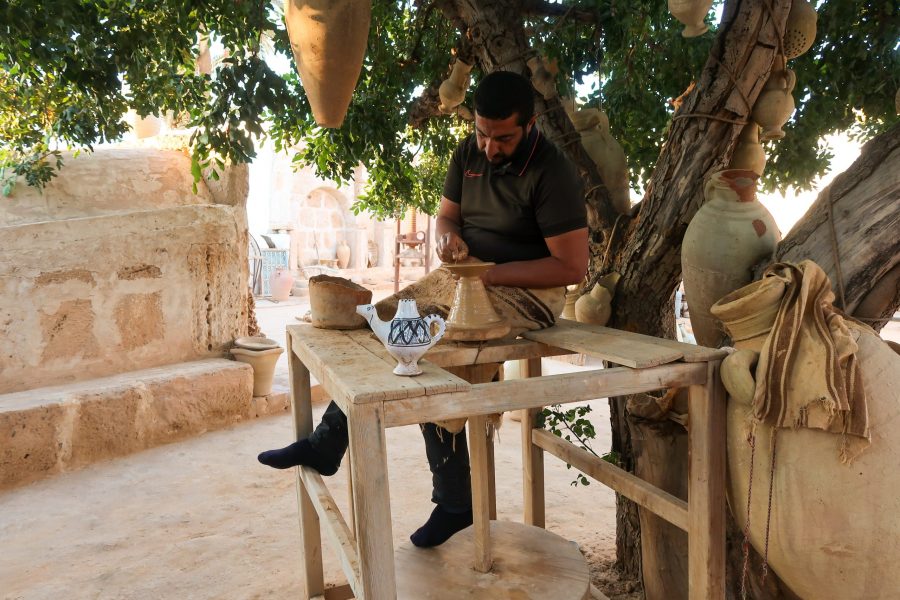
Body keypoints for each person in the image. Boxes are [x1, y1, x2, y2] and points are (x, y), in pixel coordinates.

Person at [258, 70, 588, 548]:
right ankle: (330, 441)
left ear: (531, 124)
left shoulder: (552, 171)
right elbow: (447, 216)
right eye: (482, 133)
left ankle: (455, 500)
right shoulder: (467, 153)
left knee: (425, 344)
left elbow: (570, 266)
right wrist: (447, 238)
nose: (490, 147)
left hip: (527, 293)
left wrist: (490, 274)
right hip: (464, 277)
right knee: (381, 321)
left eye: (504, 138)